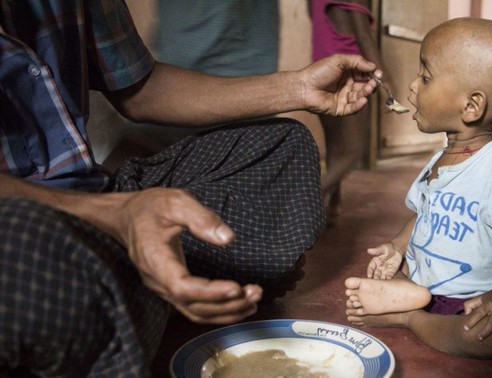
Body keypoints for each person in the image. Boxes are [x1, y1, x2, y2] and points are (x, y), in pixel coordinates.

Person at [0, 1, 380, 376]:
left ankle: (134, 277)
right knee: (29, 244)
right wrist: (116, 215)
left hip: (97, 193)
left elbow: (142, 90)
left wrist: (298, 88)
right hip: (20, 217)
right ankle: (142, 279)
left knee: (283, 147)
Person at [344, 17, 492, 360]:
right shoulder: (440, 158)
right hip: (432, 282)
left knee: (481, 339)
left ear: (471, 106)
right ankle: (414, 294)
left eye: (425, 78)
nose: (411, 87)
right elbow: (425, 214)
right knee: (403, 271)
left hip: (477, 299)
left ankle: (408, 315)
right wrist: (397, 247)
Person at [309, 0, 393, 216]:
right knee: (355, 149)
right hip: (348, 75)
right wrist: (386, 82)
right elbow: (363, 36)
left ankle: (331, 207)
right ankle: (302, 203)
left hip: (320, 71)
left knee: (335, 147)